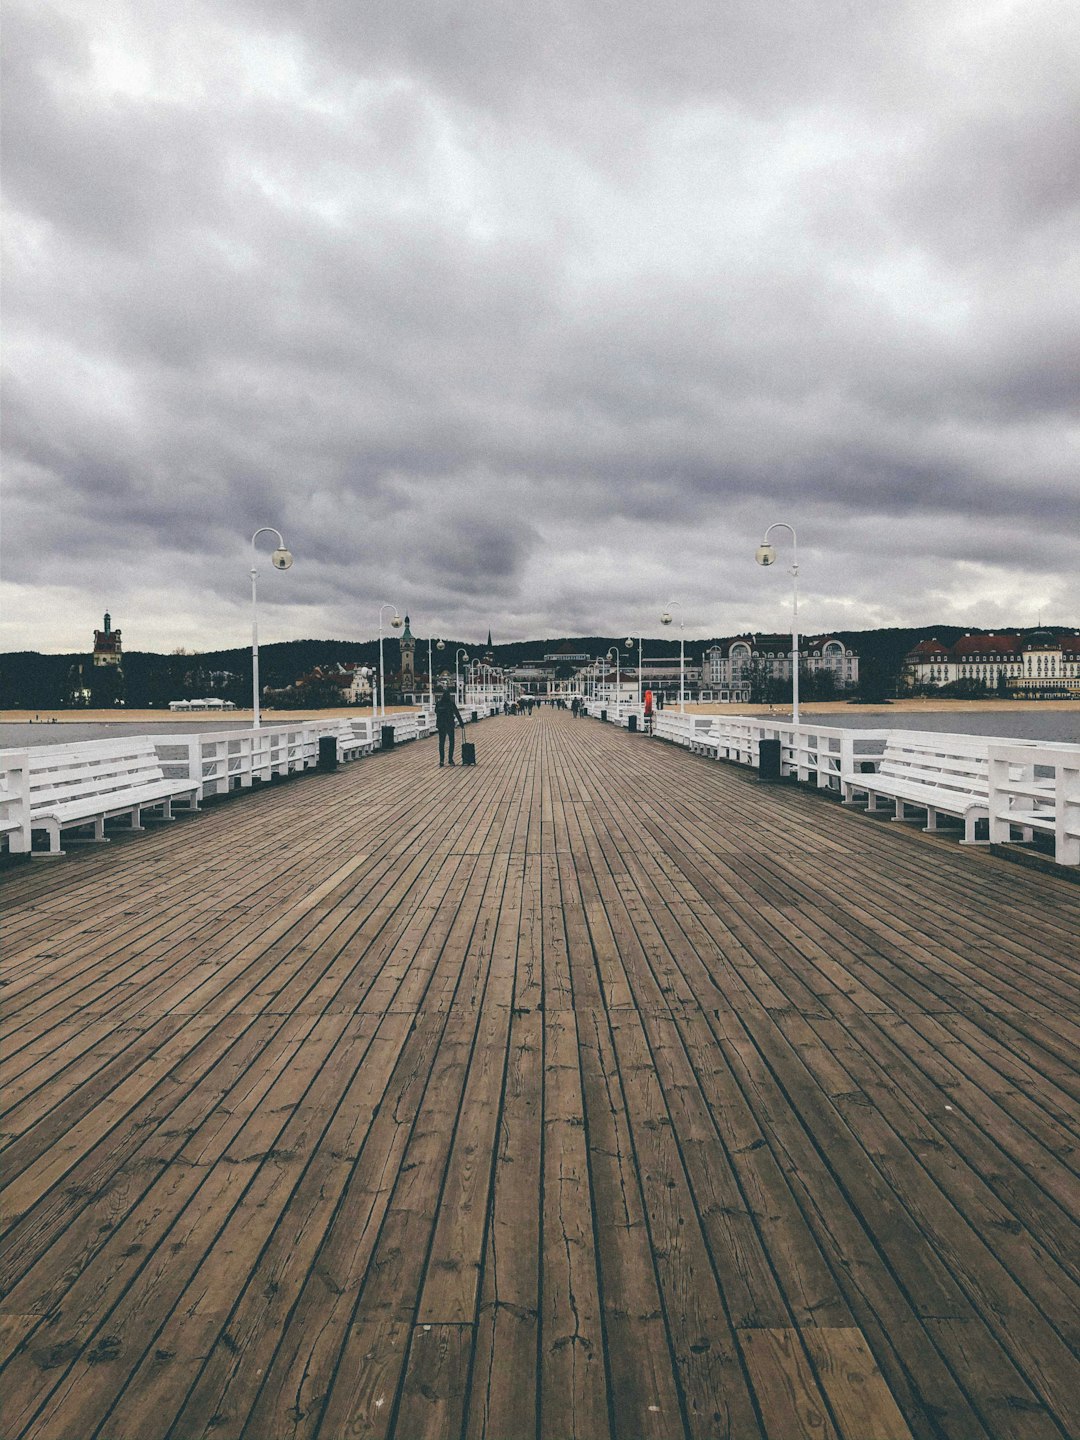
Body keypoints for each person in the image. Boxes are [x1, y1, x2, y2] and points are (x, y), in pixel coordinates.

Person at [434, 687, 465, 766]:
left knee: (441, 743)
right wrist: (461, 723)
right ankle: (450, 759)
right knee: (451, 742)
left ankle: (441, 760)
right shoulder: (451, 703)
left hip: (441, 725)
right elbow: (457, 713)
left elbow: (436, 711)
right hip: (449, 725)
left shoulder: (439, 703)